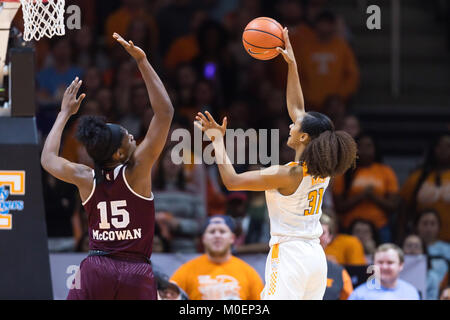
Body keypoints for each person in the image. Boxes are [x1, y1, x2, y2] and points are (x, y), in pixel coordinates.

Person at [194, 28, 357, 300]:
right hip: (315, 256)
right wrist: (291, 64)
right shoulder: (323, 167)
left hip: (290, 254)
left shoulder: (287, 173)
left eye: (295, 126)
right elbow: (298, 108)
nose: (291, 125)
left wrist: (217, 140)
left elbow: (232, 181)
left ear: (303, 137)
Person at [40, 33, 174, 300]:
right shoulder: (137, 171)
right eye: (128, 136)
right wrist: (142, 61)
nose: (134, 136)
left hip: (96, 268)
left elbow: (48, 159)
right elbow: (165, 113)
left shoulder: (86, 177)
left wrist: (64, 114)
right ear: (121, 151)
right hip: (135, 270)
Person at [170, 215, 264, 300]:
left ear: (232, 238)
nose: (217, 235)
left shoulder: (249, 273)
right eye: (212, 232)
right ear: (203, 238)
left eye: (222, 231)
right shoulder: (186, 271)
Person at [333, 133, 401, 243]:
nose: (364, 150)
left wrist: (372, 196)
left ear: (375, 148)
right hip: (350, 227)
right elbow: (339, 206)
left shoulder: (386, 171)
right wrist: (362, 195)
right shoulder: (343, 172)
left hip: (380, 227)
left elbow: (393, 205)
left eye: (369, 146)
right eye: (360, 146)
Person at [399, 134, 450, 242]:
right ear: (433, 149)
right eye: (439, 146)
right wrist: (401, 236)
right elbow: (403, 211)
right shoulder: (418, 177)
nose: (444, 150)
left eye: (448, 146)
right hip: (422, 243)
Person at [348, 244, 420, 300]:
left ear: (400, 265)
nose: (384, 267)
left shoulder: (411, 292)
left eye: (390, 262)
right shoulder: (359, 295)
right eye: (380, 262)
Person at [319, 214, 354, 300]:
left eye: (322, 232)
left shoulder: (339, 272)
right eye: (313, 231)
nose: (317, 236)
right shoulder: (288, 263)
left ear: (330, 238)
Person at [402, 233, 443, 300]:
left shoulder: (432, 277)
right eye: (409, 246)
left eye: (417, 246)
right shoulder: (393, 274)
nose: (412, 250)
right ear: (401, 249)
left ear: (423, 251)